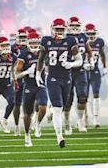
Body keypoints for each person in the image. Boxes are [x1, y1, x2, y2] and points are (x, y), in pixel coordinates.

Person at [36, 18, 82, 148]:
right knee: (58, 108)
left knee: (62, 106)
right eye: (58, 29)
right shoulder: (46, 40)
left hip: (67, 78)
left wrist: (71, 64)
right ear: (53, 29)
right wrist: (38, 74)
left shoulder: (71, 41)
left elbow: (80, 60)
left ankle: (51, 110)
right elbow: (41, 58)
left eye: (62, 29)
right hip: (52, 77)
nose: (60, 31)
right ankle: (59, 136)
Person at [15, 31, 48, 147]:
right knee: (27, 114)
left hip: (41, 84)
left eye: (36, 43)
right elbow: (16, 74)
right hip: (28, 85)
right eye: (32, 43)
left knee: (43, 107)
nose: (34, 46)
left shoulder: (43, 53)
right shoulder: (23, 55)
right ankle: (27, 134)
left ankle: (38, 123)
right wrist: (26, 72)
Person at [64, 16, 92, 134]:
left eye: (76, 26)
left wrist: (90, 62)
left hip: (80, 70)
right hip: (68, 70)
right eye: (72, 26)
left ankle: (80, 121)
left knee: (82, 96)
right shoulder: (64, 38)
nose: (75, 28)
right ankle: (67, 121)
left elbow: (89, 51)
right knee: (68, 99)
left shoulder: (83, 37)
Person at [84, 23, 107, 128]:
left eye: (92, 33)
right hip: (83, 71)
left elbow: (102, 54)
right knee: (83, 96)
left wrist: (105, 67)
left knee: (96, 94)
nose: (91, 36)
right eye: (88, 34)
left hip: (95, 70)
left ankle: (95, 118)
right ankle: (85, 117)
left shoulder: (99, 42)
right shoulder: (81, 41)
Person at [10, 29, 29, 136]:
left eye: (24, 38)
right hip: (16, 77)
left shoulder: (31, 46)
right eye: (20, 38)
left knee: (29, 102)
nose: (22, 41)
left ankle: (29, 123)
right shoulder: (12, 48)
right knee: (17, 103)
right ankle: (17, 126)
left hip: (28, 77)